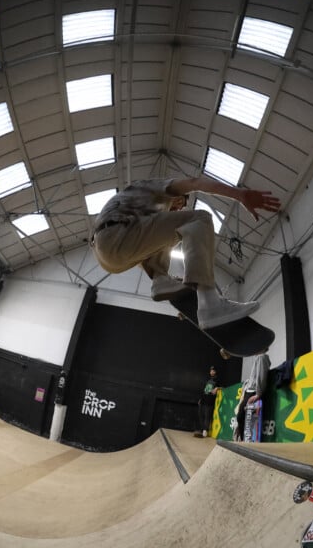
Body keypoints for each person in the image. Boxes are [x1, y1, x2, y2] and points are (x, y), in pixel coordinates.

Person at [90, 176, 281, 330]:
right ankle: (210, 304)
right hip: (116, 233)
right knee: (200, 219)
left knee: (169, 232)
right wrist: (239, 194)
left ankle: (160, 280)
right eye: (180, 204)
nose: (178, 209)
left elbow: (147, 239)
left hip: (107, 253)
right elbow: (195, 183)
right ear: (176, 197)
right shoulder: (154, 187)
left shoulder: (136, 206)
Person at [233, 349, 270, 442]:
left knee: (246, 419)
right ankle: (241, 439)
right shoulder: (258, 358)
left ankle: (245, 441)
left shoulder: (262, 358)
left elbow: (261, 377)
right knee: (241, 416)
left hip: (253, 393)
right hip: (249, 391)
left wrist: (258, 394)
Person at [195, 365, 219, 438]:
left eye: (213, 371)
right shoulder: (208, 380)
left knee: (207, 415)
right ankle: (202, 429)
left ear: (216, 372)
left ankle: (205, 430)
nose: (211, 372)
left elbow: (224, 387)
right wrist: (201, 399)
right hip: (204, 399)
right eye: (211, 370)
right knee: (200, 414)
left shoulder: (218, 380)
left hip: (210, 400)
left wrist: (217, 388)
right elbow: (205, 390)